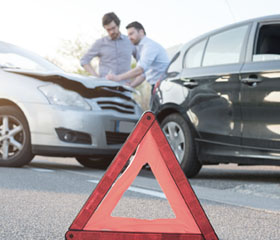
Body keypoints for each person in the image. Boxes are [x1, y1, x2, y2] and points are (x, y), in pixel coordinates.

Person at [106, 21, 169, 92]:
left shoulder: (149, 46)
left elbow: (139, 70)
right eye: (128, 35)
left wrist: (118, 78)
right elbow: (143, 74)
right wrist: (131, 85)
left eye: (131, 34)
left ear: (141, 32)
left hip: (164, 86)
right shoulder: (142, 49)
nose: (129, 38)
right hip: (157, 86)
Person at [80, 12, 136, 84]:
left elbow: (142, 63)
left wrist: (134, 82)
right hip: (105, 87)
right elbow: (84, 60)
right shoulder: (100, 43)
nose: (112, 32)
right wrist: (96, 77)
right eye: (108, 30)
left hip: (125, 88)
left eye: (113, 28)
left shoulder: (130, 41)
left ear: (118, 25)